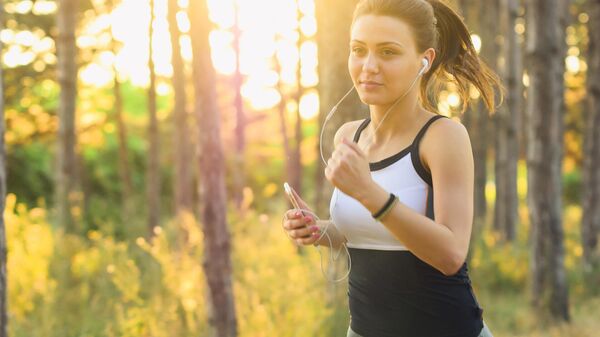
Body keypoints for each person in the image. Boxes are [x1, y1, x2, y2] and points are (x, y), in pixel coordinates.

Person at [282, 0, 502, 336]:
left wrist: (370, 193)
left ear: (424, 60)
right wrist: (319, 231)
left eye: (388, 52)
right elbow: (364, 232)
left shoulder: (442, 137)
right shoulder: (348, 136)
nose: (368, 66)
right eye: (359, 50)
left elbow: (451, 254)